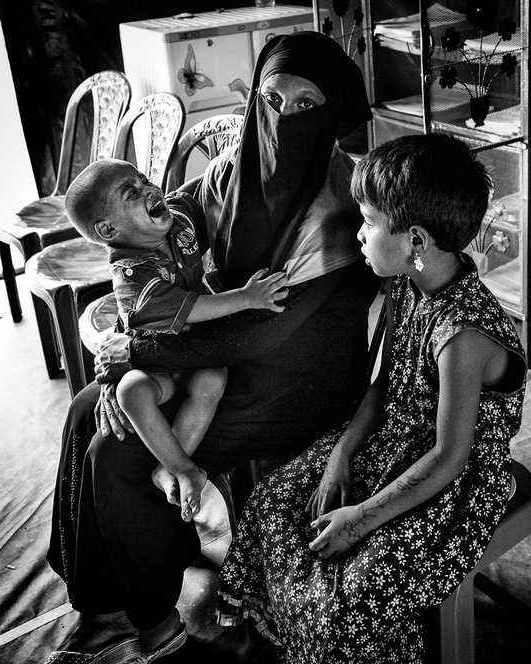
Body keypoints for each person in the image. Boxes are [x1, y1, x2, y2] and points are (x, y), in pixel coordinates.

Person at [44, 31, 379, 663]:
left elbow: (264, 329)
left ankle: (153, 618)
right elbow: (155, 231)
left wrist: (136, 355)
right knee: (89, 406)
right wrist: (128, 338)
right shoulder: (227, 171)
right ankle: (100, 599)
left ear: (335, 116)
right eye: (270, 99)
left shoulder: (339, 205)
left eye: (307, 106)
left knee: (117, 453)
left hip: (293, 383)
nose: (281, 119)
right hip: (212, 355)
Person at [216, 133, 529, 664]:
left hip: (453, 480)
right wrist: (342, 455)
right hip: (395, 439)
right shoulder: (405, 283)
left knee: (348, 597)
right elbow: (388, 382)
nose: (358, 234)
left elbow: (451, 457)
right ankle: (291, 639)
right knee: (273, 500)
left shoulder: (464, 335)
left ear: (416, 240)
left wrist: (360, 517)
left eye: (368, 221)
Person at [63, 158, 289, 523]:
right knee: (130, 392)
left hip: (196, 353)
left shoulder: (173, 217)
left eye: (145, 180)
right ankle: (183, 467)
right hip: (156, 363)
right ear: (107, 229)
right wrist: (248, 297)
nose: (151, 190)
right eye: (132, 193)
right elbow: (193, 307)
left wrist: (242, 149)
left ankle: (170, 468)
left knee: (213, 378)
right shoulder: (133, 275)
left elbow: (200, 189)